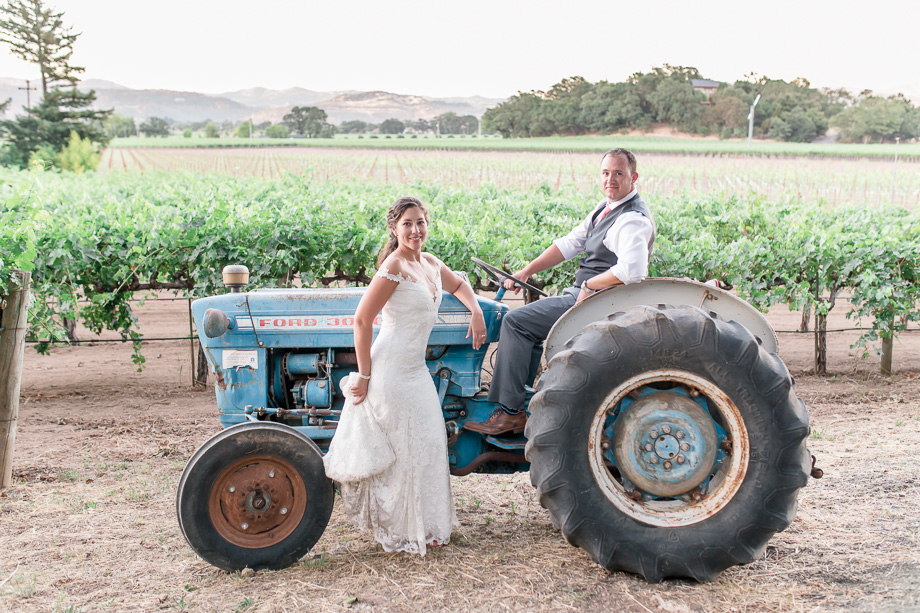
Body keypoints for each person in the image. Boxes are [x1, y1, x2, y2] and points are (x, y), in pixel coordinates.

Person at [324, 195, 487, 555]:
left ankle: (426, 525)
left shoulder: (429, 262)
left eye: (420, 223)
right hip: (389, 372)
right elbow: (362, 320)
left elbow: (459, 285)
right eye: (407, 224)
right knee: (403, 451)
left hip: (416, 370)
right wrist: (364, 375)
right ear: (395, 230)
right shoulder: (393, 268)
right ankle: (400, 528)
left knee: (427, 445)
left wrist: (475, 310)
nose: (415, 230)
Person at [464, 148, 655, 435]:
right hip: (585, 294)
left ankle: (510, 411)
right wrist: (527, 271)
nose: (610, 180)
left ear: (633, 177)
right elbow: (569, 244)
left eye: (618, 173)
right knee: (528, 325)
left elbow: (633, 270)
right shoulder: (606, 209)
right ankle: (523, 397)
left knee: (516, 322)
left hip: (598, 302)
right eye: (605, 173)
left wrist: (590, 285)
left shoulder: (631, 219)